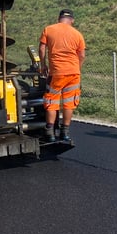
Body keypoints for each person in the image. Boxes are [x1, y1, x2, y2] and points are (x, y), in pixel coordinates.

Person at [38, 9, 86, 143]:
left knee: (52, 102)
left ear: (59, 18)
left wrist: (43, 65)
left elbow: (42, 48)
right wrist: (77, 68)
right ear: (72, 20)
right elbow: (82, 55)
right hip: (73, 74)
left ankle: (50, 133)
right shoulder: (77, 34)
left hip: (56, 73)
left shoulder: (48, 29)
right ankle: (65, 132)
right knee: (69, 103)